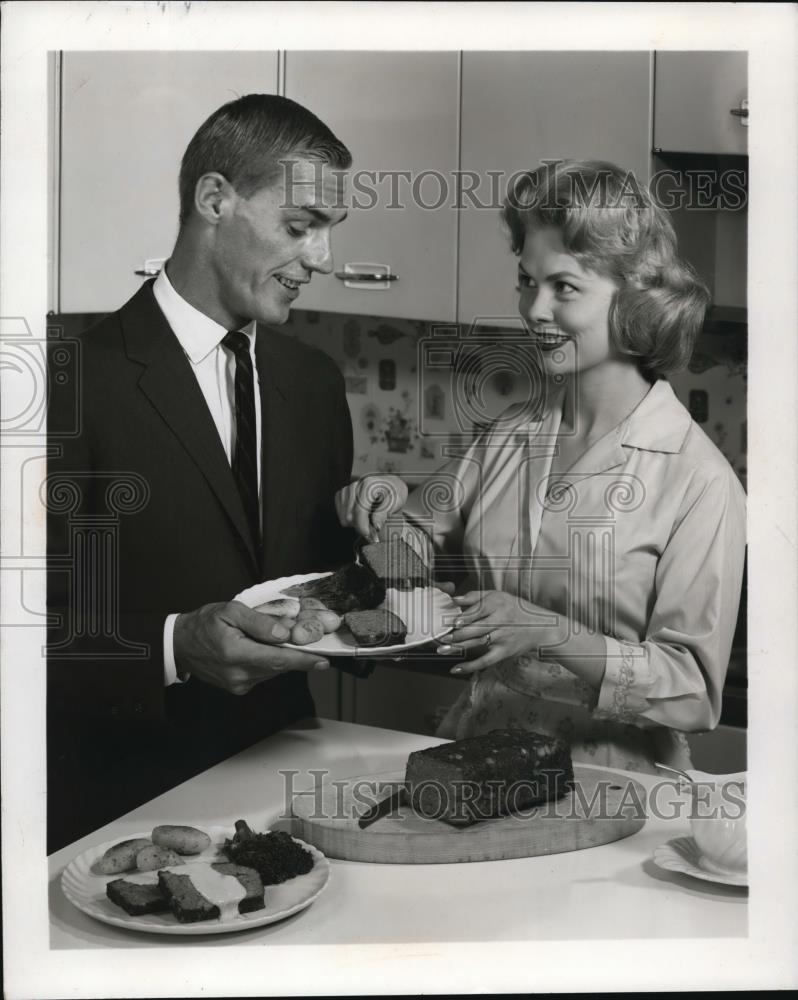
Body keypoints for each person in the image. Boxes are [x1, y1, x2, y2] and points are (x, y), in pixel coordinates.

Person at [337, 159, 746, 774]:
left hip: (615, 784)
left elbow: (693, 692)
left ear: (636, 298)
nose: (534, 308)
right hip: (474, 757)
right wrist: (391, 524)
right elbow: (413, 539)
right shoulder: (508, 436)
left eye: (564, 287)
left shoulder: (698, 480)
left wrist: (549, 631)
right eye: (527, 281)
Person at [47, 94, 356, 851]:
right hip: (122, 816)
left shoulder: (315, 382)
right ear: (214, 199)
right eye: (299, 226)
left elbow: (323, 589)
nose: (320, 259)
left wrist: (377, 557)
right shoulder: (66, 387)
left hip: (289, 801)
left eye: (327, 233)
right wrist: (175, 646)